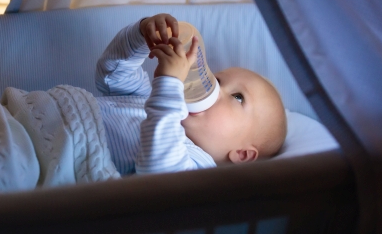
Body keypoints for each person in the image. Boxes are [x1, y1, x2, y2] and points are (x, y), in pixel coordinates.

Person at [96, 13, 287, 175]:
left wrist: (169, 83)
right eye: (217, 80)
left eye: (238, 97)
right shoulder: (149, 100)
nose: (216, 89)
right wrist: (142, 35)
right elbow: (112, 74)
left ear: (242, 154)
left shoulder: (195, 167)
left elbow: (157, 171)